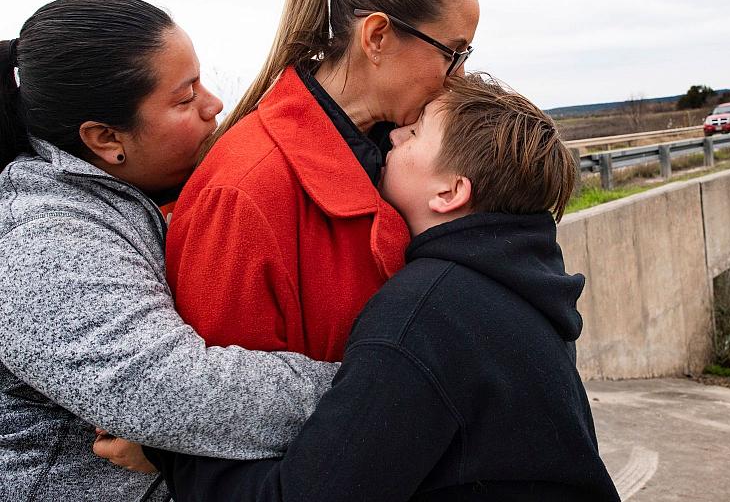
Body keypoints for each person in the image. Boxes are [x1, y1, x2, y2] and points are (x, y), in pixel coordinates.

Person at [148, 74, 622, 501]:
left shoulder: (425, 314)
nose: (394, 134)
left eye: (415, 134)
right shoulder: (520, 286)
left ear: (450, 193)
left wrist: (170, 453)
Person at [0, 0, 337, 502]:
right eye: (184, 99)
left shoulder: (117, 200)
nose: (214, 105)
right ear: (106, 138)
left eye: (201, 81)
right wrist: (382, 385)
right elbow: (176, 393)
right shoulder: (39, 240)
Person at [166, 0, 479, 361]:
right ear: (377, 37)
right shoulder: (244, 192)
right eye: (452, 52)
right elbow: (225, 411)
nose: (458, 76)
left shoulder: (403, 152)